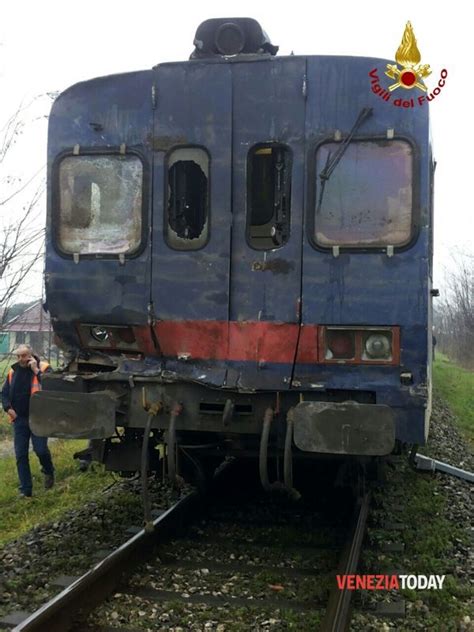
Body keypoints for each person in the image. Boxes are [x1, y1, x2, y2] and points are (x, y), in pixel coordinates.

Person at [1, 344, 55, 497]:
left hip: (40, 418)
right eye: (18, 356)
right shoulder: (13, 372)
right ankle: (25, 490)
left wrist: (36, 371)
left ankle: (49, 470)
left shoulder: (44, 368)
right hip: (20, 420)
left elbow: (52, 387)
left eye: (24, 355)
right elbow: (4, 394)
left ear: (31, 354)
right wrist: (8, 408)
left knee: (41, 450)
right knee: (20, 455)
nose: (21, 359)